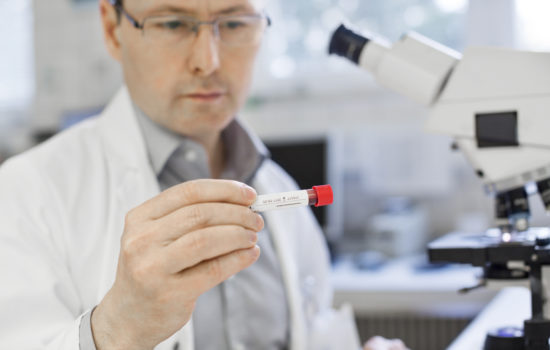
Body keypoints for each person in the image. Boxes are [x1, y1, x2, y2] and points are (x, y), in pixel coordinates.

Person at [0, 0, 408, 349]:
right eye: (173, 24)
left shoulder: (280, 191)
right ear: (112, 29)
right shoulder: (25, 194)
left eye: (233, 23)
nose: (207, 61)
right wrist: (118, 330)